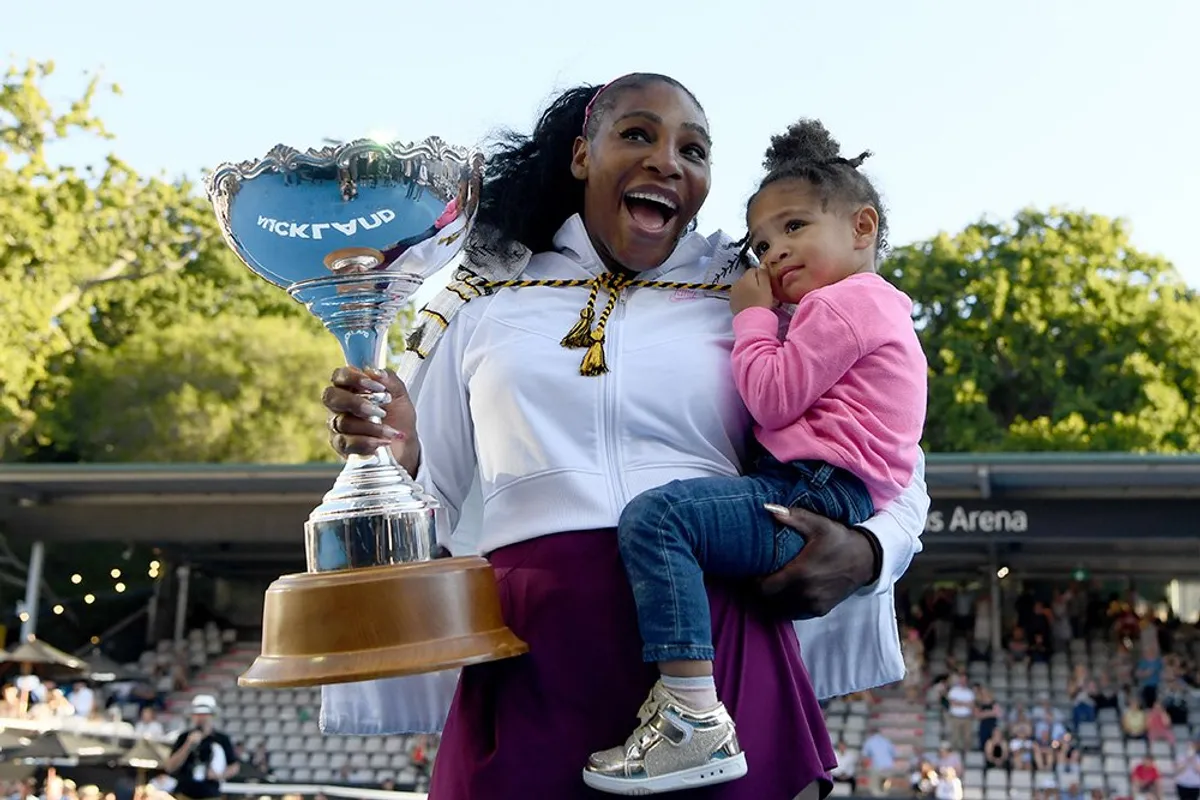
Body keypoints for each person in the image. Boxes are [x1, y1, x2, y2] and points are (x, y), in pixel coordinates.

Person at [320, 72, 928, 799]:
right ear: (581, 155)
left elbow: (889, 445)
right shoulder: (482, 297)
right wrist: (395, 452)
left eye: (694, 150)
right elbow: (432, 492)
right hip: (528, 650)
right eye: (637, 134)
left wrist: (867, 550)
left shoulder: (756, 291)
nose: (668, 161)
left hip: (717, 646)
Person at [587, 118, 926, 793]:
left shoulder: (841, 306)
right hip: (828, 487)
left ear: (862, 228)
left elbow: (771, 398)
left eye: (795, 228)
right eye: (763, 242)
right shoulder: (872, 306)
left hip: (812, 489)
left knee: (659, 522)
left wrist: (751, 316)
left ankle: (690, 718)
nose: (773, 255)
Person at [163, 695, 238, 800]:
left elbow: (234, 765)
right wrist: (188, 745)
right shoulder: (184, 737)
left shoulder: (222, 739)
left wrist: (219, 775)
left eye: (204, 714)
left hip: (210, 794)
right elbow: (170, 767)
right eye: (197, 714)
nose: (200, 718)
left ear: (212, 715)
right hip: (184, 793)